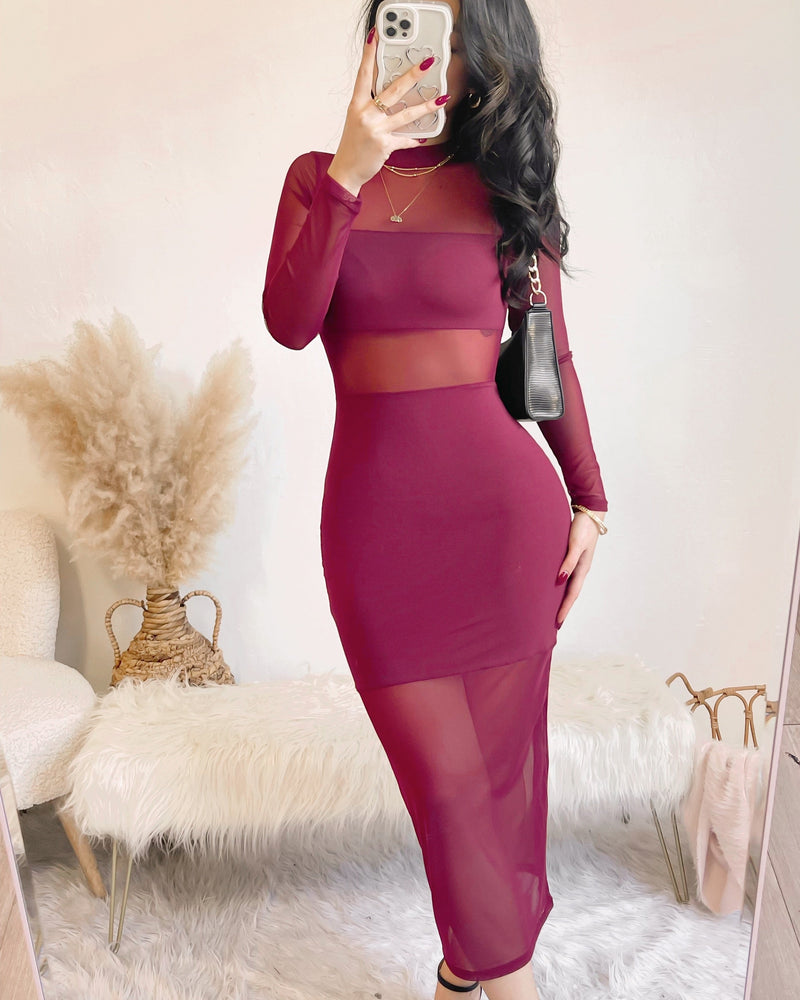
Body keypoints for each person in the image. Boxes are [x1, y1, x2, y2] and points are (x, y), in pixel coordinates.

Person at [261, 2, 609, 998]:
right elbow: (289, 322)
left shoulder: (506, 195)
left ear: (484, 53)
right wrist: (350, 167)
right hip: (376, 537)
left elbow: (548, 362)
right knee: (448, 790)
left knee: (495, 785)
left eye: (452, 35)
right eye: (406, 23)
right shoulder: (316, 179)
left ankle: (473, 976)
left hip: (505, 527)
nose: (429, 57)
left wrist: (591, 501)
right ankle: (493, 975)